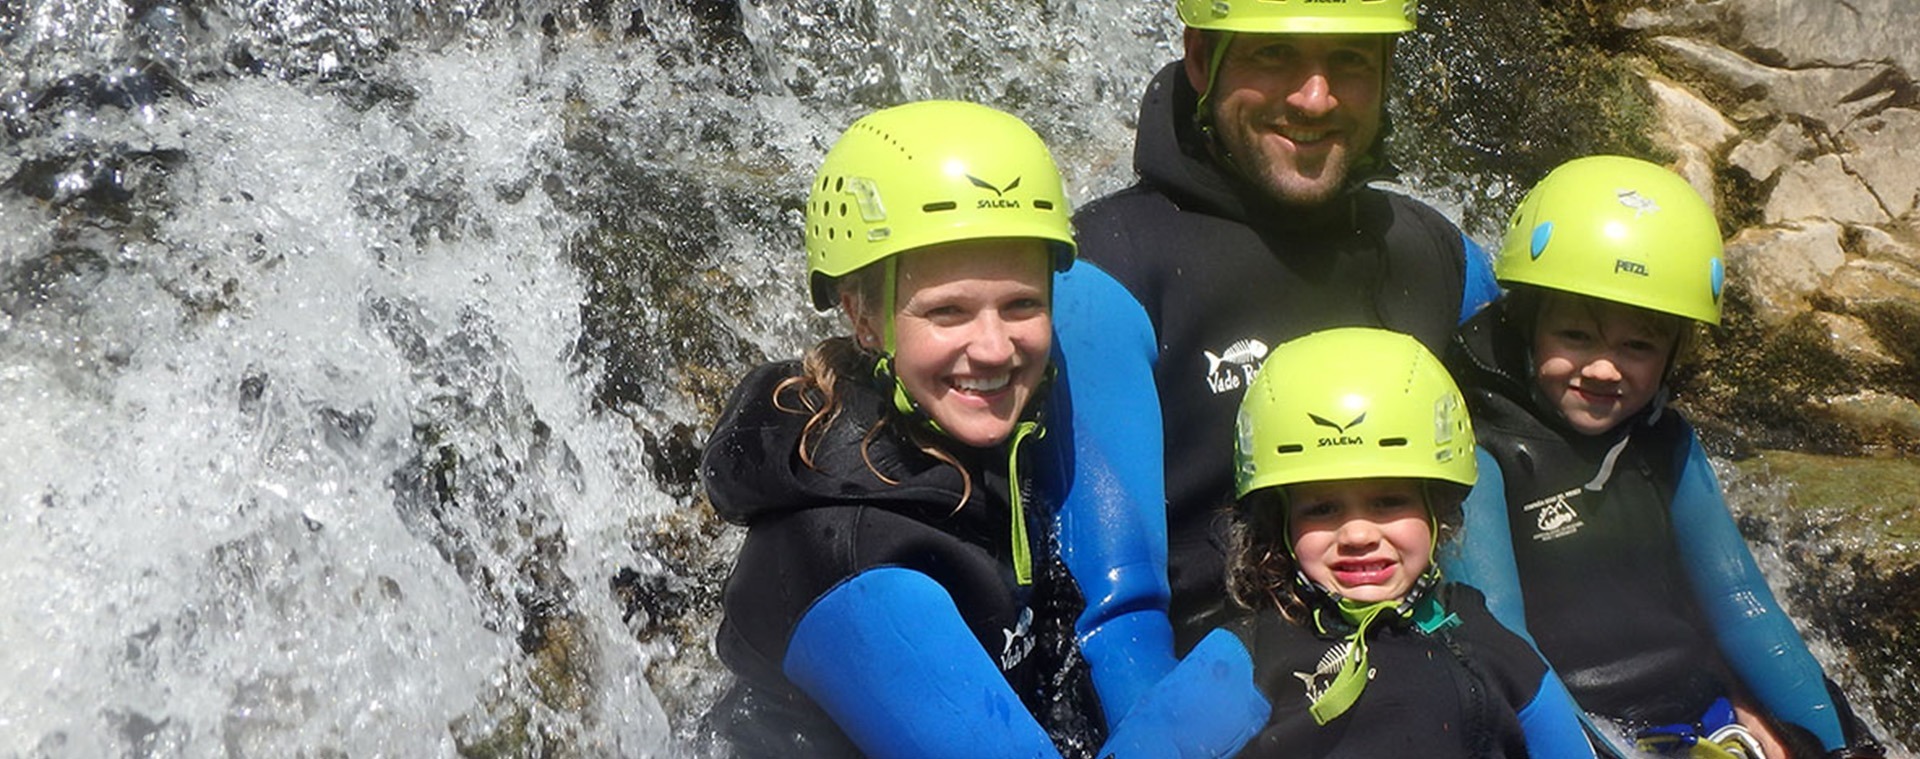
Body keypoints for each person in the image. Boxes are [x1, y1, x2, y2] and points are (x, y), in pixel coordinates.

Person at [700, 100, 1268, 759]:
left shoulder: (1002, 432)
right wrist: (1247, 671)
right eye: (949, 312)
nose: (995, 348)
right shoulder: (849, 557)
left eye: (1022, 304)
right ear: (864, 318)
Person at [1047, 0, 1501, 668]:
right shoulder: (1105, 274)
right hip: (1220, 694)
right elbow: (1118, 612)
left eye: (1348, 60)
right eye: (1273, 54)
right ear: (1201, 58)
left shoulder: (1443, 259)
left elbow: (1493, 575)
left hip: (1428, 685)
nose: (1315, 99)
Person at [1440, 155, 1885, 758]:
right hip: (1576, 729)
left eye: (1639, 345)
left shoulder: (1664, 439)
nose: (1603, 368)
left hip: (1701, 718)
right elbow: (1502, 644)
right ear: (1525, 323)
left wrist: (1841, 746)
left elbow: (1742, 605)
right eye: (1575, 336)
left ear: (1675, 353)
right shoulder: (1479, 447)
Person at [1222, 327, 1595, 758]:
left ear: (1437, 513)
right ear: (1279, 522)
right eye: (1322, 510)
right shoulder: (1252, 658)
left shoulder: (1482, 641)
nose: (1358, 535)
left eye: (1388, 502)